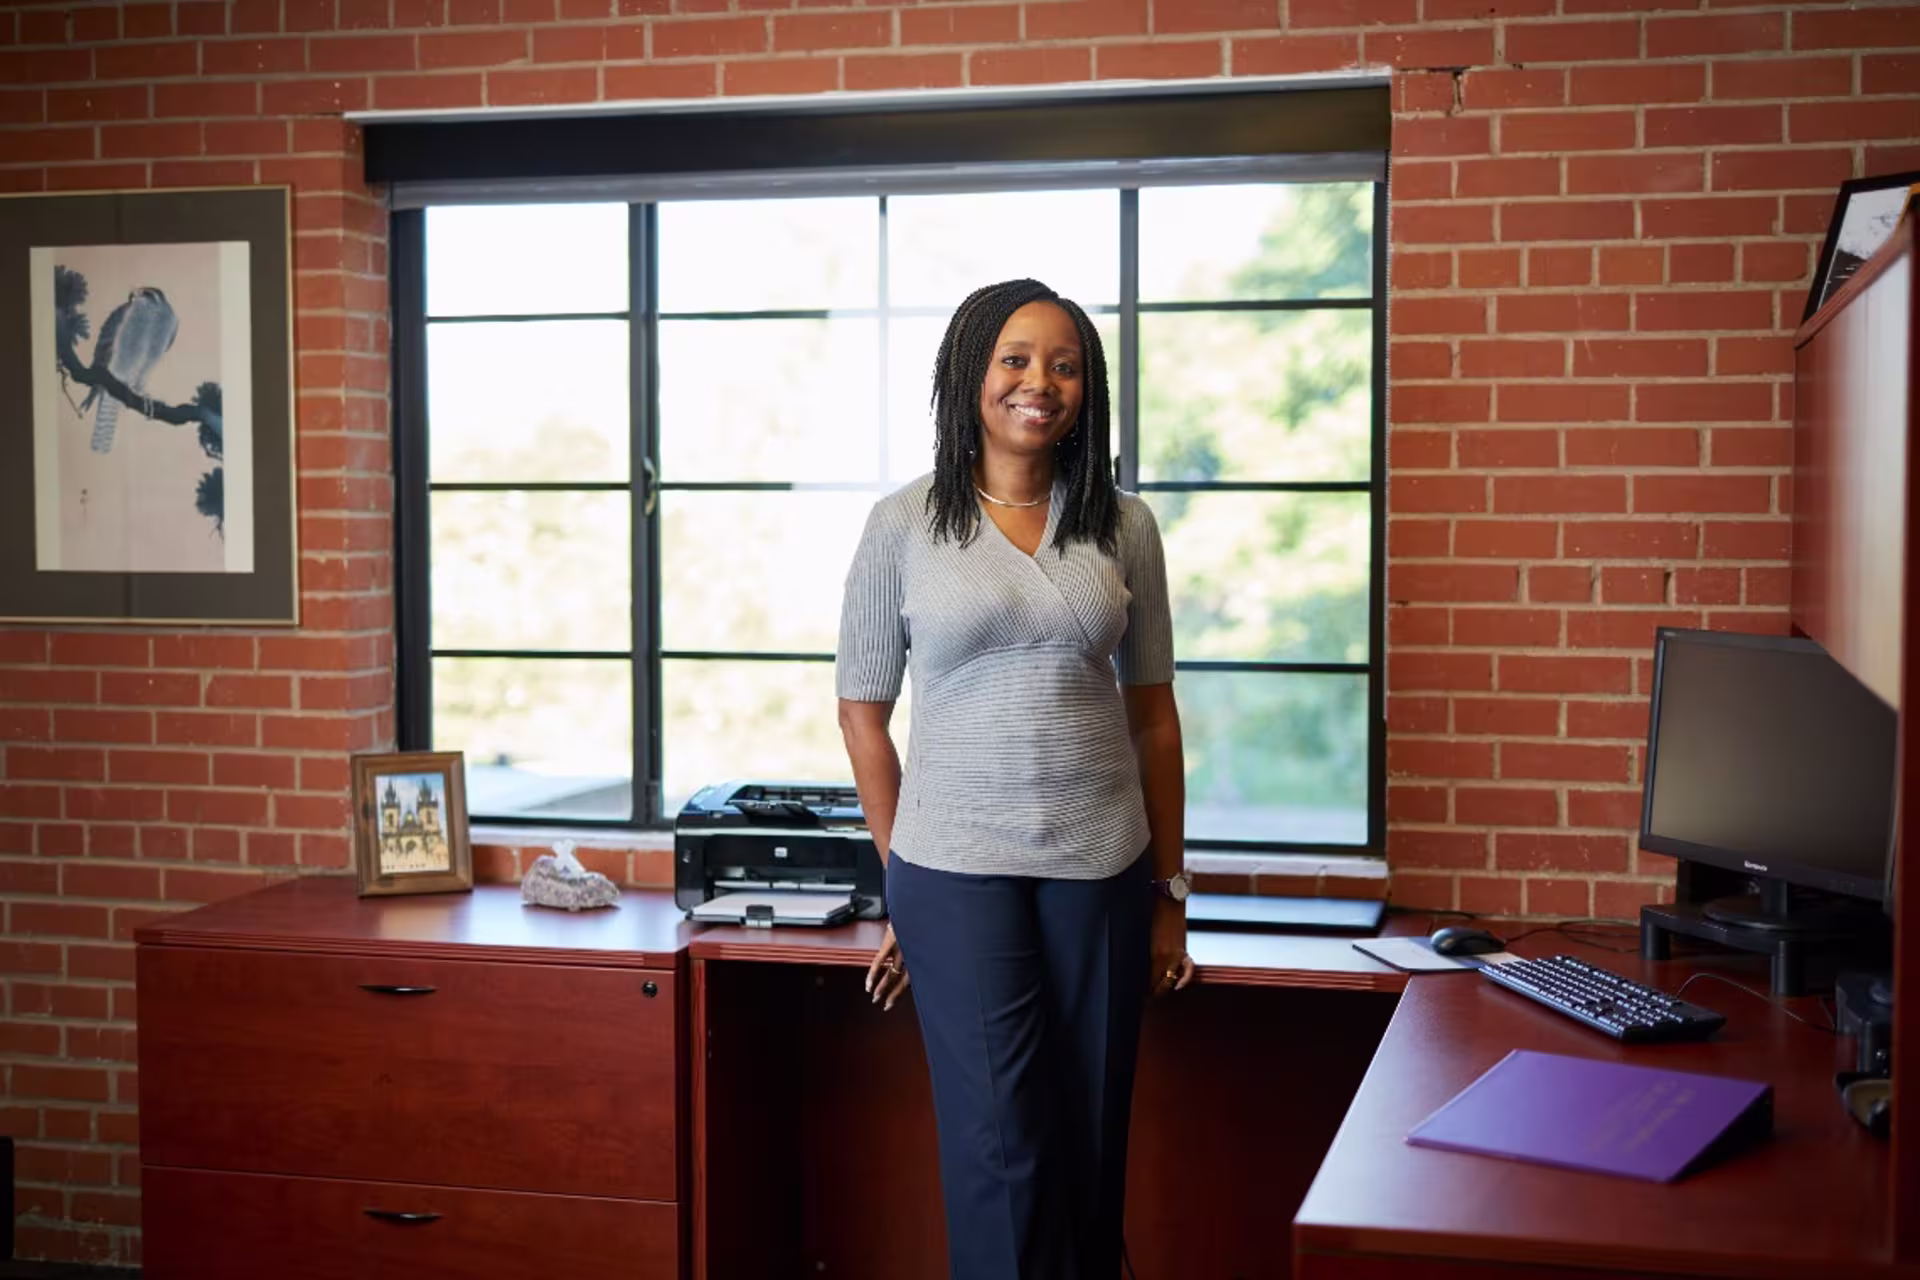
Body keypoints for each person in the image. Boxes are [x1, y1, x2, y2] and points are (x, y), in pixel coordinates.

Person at [835, 278, 1192, 1280]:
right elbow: (862, 712)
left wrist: (1170, 894)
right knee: (1004, 1155)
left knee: (1089, 1146)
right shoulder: (902, 525)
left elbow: (1153, 716)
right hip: (953, 878)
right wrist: (902, 877)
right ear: (970, 376)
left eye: (1066, 365)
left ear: (1089, 389)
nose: (1042, 382)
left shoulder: (1125, 526)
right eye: (1017, 359)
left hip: (1105, 866)